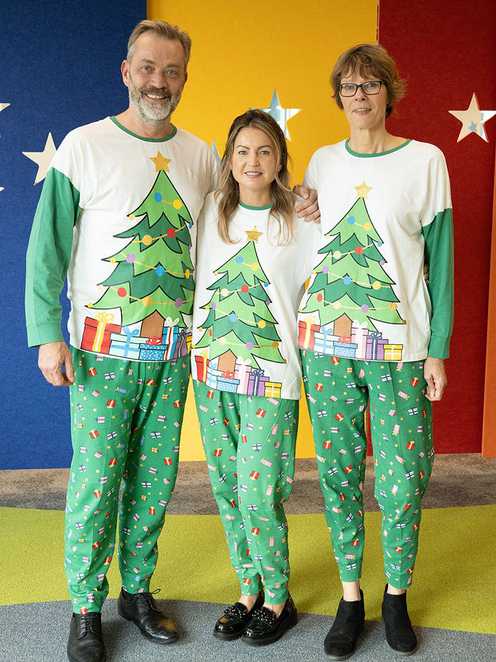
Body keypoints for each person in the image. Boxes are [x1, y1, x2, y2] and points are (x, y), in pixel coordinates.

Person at [25, 19, 318, 662]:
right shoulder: (84, 147)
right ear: (126, 71)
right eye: (149, 68)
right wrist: (50, 335)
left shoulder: (197, 157)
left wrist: (302, 199)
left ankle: (137, 590)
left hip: (172, 356)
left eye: (173, 71)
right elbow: (46, 250)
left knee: (154, 482)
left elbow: (247, 208)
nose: (160, 81)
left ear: (184, 79)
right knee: (98, 482)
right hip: (100, 355)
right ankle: (84, 606)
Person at [297, 43, 453, 658]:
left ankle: (396, 594)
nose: (359, 96)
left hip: (400, 348)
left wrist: (436, 349)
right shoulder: (321, 161)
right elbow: (311, 242)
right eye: (349, 87)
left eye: (370, 85)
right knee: (337, 474)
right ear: (338, 97)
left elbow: (439, 263)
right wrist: (302, 206)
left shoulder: (426, 161)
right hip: (327, 345)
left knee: (402, 479)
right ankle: (350, 595)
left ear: (390, 91)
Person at [191, 109, 320, 646]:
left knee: (258, 490)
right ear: (229, 159)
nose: (252, 161)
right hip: (212, 372)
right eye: (242, 151)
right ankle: (248, 589)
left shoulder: (301, 220)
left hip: (271, 378)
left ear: (280, 160)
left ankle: (277, 595)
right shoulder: (209, 215)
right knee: (225, 487)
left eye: (264, 151)